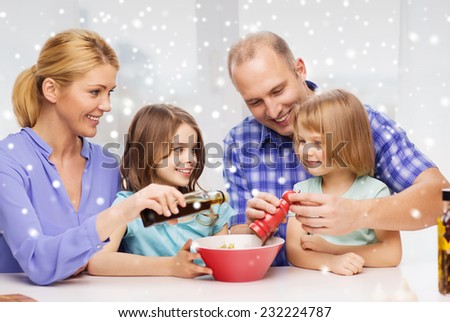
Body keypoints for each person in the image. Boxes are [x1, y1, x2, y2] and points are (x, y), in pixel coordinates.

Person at [223, 31, 449, 266]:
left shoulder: (360, 122)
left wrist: (358, 213)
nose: (273, 110)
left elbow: (441, 199)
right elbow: (240, 244)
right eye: (255, 102)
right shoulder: (238, 142)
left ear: (300, 70)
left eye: (278, 90)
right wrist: (253, 230)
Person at [0, 29, 185, 285]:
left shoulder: (107, 164)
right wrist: (122, 212)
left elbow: (120, 250)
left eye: (110, 92)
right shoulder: (8, 162)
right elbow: (38, 263)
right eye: (95, 92)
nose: (107, 105)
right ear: (51, 90)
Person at [87, 104, 234, 278]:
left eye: (193, 149)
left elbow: (227, 266)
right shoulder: (130, 208)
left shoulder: (212, 209)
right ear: (147, 152)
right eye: (178, 149)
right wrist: (171, 267)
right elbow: (97, 262)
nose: (190, 159)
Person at [286, 89, 402, 275]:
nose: (306, 151)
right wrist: (331, 263)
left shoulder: (375, 192)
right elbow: (293, 251)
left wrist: (332, 250)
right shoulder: (302, 192)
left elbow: (391, 254)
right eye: (301, 141)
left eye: (317, 143)